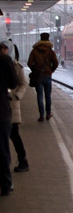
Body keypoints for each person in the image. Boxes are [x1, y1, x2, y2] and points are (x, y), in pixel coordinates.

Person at [0, 40, 19, 196]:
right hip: (1, 111)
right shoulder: (5, 60)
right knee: (3, 149)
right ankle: (6, 184)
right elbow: (13, 83)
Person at [27, 32, 59, 122]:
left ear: (40, 39)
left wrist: (35, 70)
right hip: (47, 76)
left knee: (39, 96)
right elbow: (56, 63)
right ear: (48, 39)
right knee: (48, 96)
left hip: (38, 77)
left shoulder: (34, 51)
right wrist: (51, 70)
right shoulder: (51, 51)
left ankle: (41, 115)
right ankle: (48, 113)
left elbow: (29, 63)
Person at [9, 43, 29, 172]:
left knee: (14, 135)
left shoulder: (16, 67)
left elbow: (24, 83)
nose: (3, 51)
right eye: (1, 48)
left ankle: (23, 160)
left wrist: (17, 95)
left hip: (12, 104)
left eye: (5, 48)